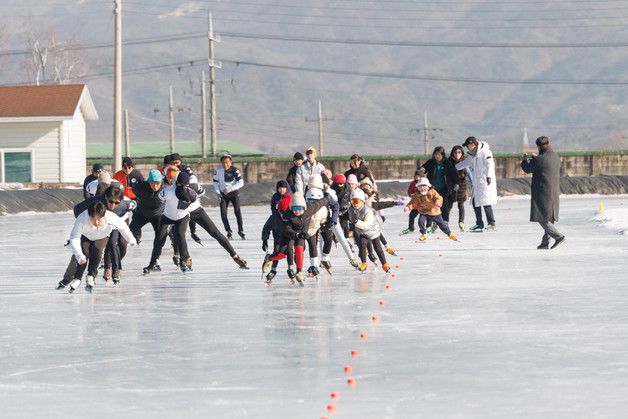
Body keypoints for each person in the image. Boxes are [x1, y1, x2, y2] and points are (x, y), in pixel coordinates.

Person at [57, 201, 136, 293]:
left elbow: (123, 227)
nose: (96, 222)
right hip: (86, 236)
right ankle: (78, 278)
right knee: (84, 254)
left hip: (102, 236)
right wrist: (79, 255)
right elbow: (74, 237)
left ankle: (91, 275)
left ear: (104, 216)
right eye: (93, 219)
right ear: (88, 216)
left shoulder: (110, 216)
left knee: (97, 250)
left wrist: (131, 239)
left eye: (99, 219)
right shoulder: (82, 218)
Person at [521, 136, 565, 249]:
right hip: (554, 190)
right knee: (549, 217)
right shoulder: (555, 156)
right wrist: (537, 158)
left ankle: (558, 236)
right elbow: (544, 164)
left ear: (539, 147)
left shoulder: (539, 159)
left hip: (542, 191)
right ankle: (545, 243)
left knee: (541, 217)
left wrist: (525, 159)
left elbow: (527, 169)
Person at [455, 136, 497, 231]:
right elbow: (465, 163)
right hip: (477, 183)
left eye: (467, 145)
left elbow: (490, 164)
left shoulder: (485, 152)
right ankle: (479, 223)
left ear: (472, 144)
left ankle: (491, 223)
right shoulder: (472, 155)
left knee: (486, 202)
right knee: (475, 202)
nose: (467, 147)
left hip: (485, 182)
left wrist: (489, 176)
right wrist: (454, 167)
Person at [348, 188, 390, 273]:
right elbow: (347, 217)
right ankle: (364, 263)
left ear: (362, 201)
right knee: (362, 246)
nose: (354, 204)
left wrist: (356, 221)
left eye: (356, 201)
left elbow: (366, 225)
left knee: (377, 248)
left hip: (373, 230)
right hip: (362, 232)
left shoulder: (367, 211)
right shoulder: (351, 209)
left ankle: (384, 264)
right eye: (353, 201)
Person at [405, 178, 458, 242]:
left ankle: (449, 234)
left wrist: (438, 202)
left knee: (442, 224)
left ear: (428, 186)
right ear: (418, 187)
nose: (422, 188)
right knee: (420, 222)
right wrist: (408, 207)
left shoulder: (432, 192)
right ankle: (424, 234)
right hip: (424, 211)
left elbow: (439, 197)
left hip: (434, 212)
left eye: (424, 186)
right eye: (420, 186)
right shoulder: (417, 195)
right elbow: (413, 202)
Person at [420, 146, 459, 224]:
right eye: (436, 154)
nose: (437, 156)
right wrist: (422, 169)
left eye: (439, 154)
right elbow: (424, 167)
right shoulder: (431, 162)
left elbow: (454, 174)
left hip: (444, 188)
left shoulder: (447, 163)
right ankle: (430, 223)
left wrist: (456, 183)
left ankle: (445, 221)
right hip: (433, 188)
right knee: (431, 205)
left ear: (442, 155)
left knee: (444, 205)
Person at [262, 184, 292, 283]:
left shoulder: (291, 216)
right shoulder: (275, 217)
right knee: (277, 252)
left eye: (285, 212)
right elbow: (266, 228)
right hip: (278, 236)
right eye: (281, 212)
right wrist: (264, 240)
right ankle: (273, 270)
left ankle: (290, 268)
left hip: (288, 237)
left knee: (290, 251)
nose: (283, 214)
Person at [213, 153, 245, 239]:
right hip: (223, 194)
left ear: (231, 162)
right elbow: (215, 182)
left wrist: (231, 188)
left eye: (227, 162)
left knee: (237, 211)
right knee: (223, 213)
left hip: (234, 193)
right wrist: (218, 192)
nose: (225, 164)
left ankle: (241, 230)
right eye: (223, 162)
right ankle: (228, 231)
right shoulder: (218, 171)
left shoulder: (235, 170)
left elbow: (241, 183)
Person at [130, 169, 165, 246]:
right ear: (148, 182)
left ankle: (159, 253)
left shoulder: (165, 187)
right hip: (142, 214)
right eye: (152, 184)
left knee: (162, 234)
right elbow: (134, 192)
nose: (155, 186)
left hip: (157, 215)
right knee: (129, 231)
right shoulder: (142, 186)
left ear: (161, 182)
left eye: (157, 183)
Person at [448, 145, 473, 232]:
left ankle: (461, 222)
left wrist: (473, 183)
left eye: (459, 152)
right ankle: (444, 221)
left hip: (462, 186)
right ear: (452, 153)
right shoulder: (449, 162)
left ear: (462, 153)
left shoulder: (464, 162)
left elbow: (469, 173)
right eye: (455, 152)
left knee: (461, 204)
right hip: (451, 186)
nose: (457, 154)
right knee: (449, 205)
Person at [401, 169, 423, 235]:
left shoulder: (424, 183)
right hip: (416, 204)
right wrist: (411, 195)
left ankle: (427, 227)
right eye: (415, 176)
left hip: (423, 204)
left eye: (418, 176)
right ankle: (411, 228)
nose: (416, 177)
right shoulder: (413, 183)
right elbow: (409, 191)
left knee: (425, 217)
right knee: (411, 216)